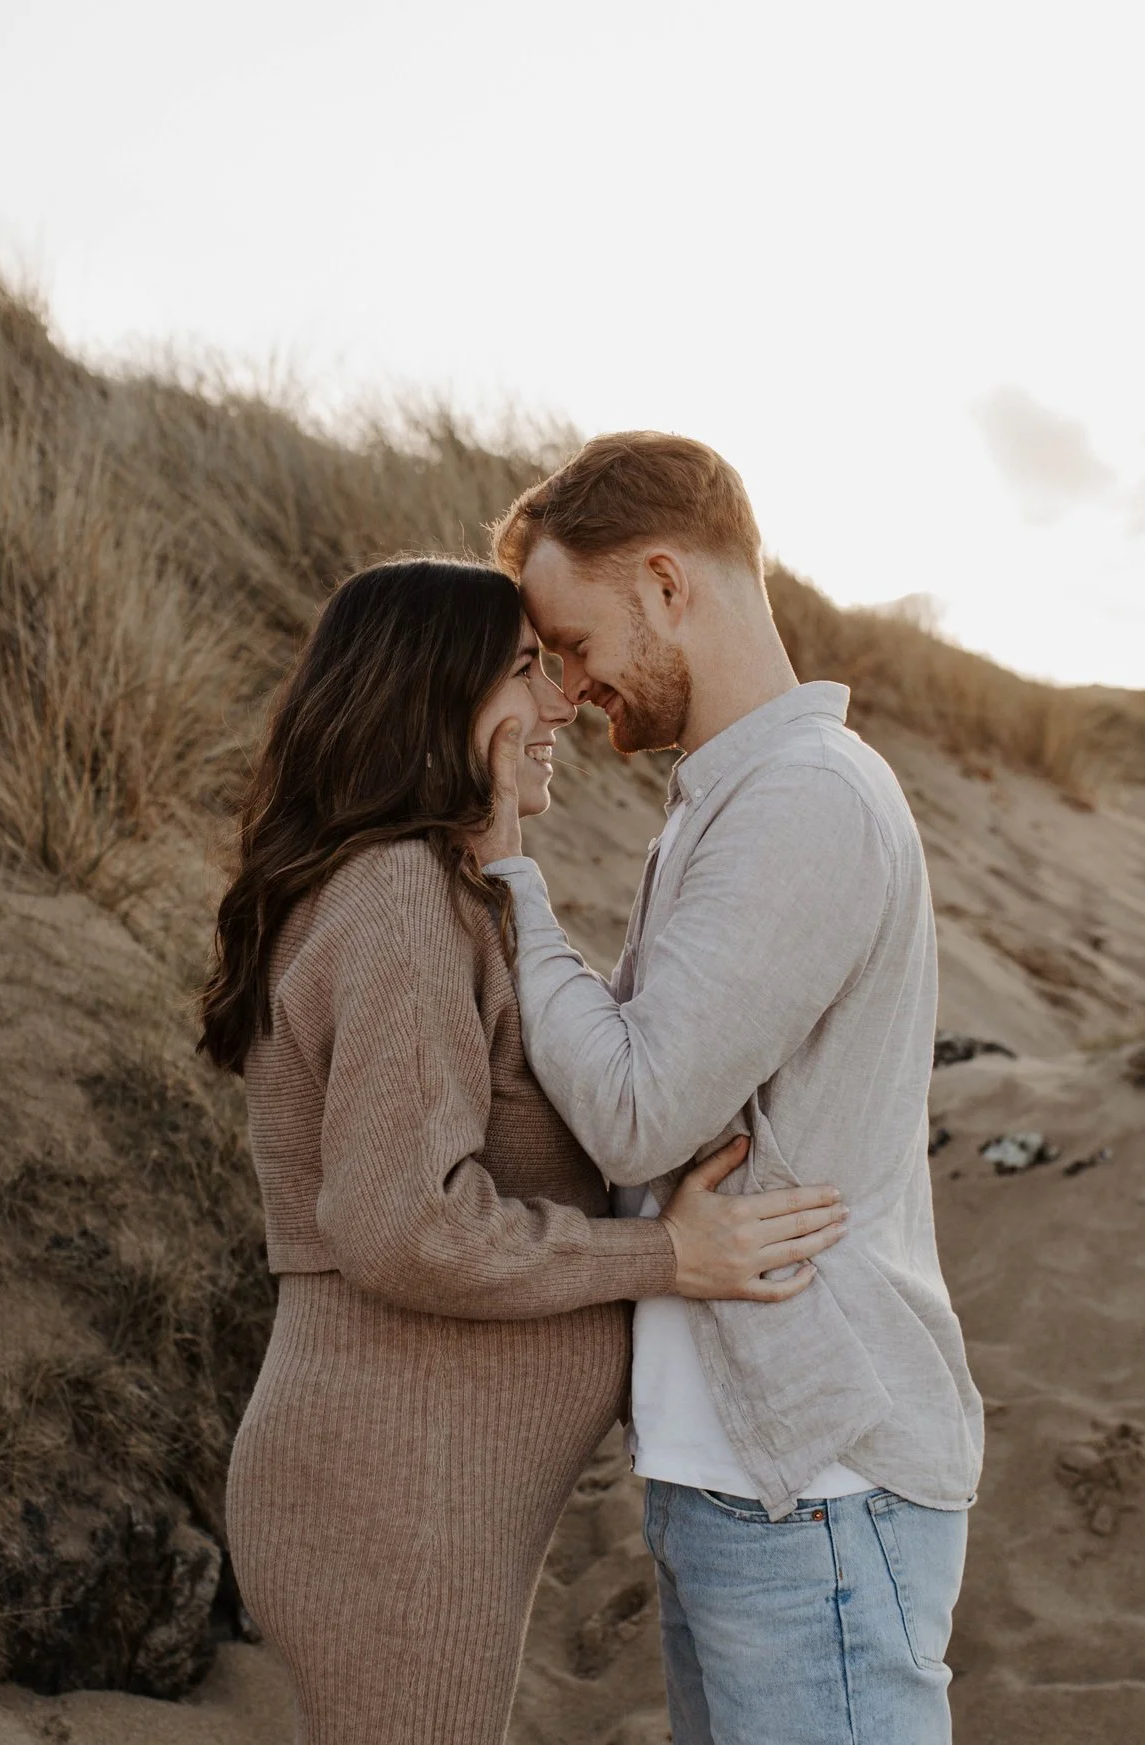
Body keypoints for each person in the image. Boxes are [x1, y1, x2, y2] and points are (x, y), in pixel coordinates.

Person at [201, 558, 852, 1743]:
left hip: (421, 1489)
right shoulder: (396, 894)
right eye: (521, 670)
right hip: (393, 1493)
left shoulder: (446, 894)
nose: (561, 703)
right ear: (430, 695)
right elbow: (410, 1224)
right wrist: (660, 1256)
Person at [473, 435, 984, 1745]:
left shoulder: (803, 802)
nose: (573, 688)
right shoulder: (728, 800)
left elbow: (641, 1110)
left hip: (819, 1478)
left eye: (575, 641)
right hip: (744, 1468)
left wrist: (510, 880)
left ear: (662, 581)